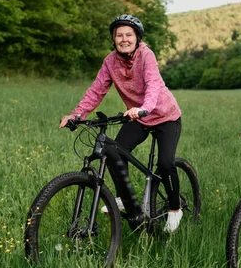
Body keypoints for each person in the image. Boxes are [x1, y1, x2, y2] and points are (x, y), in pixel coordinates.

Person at [59, 14, 183, 233]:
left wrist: (144, 107)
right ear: (113, 38)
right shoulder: (110, 61)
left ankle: (175, 209)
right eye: (119, 35)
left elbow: (153, 84)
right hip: (138, 117)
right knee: (115, 151)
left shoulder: (146, 55)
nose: (124, 39)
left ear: (137, 38)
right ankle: (124, 199)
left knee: (165, 164)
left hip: (164, 115)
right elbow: (97, 90)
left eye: (128, 34)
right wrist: (76, 115)